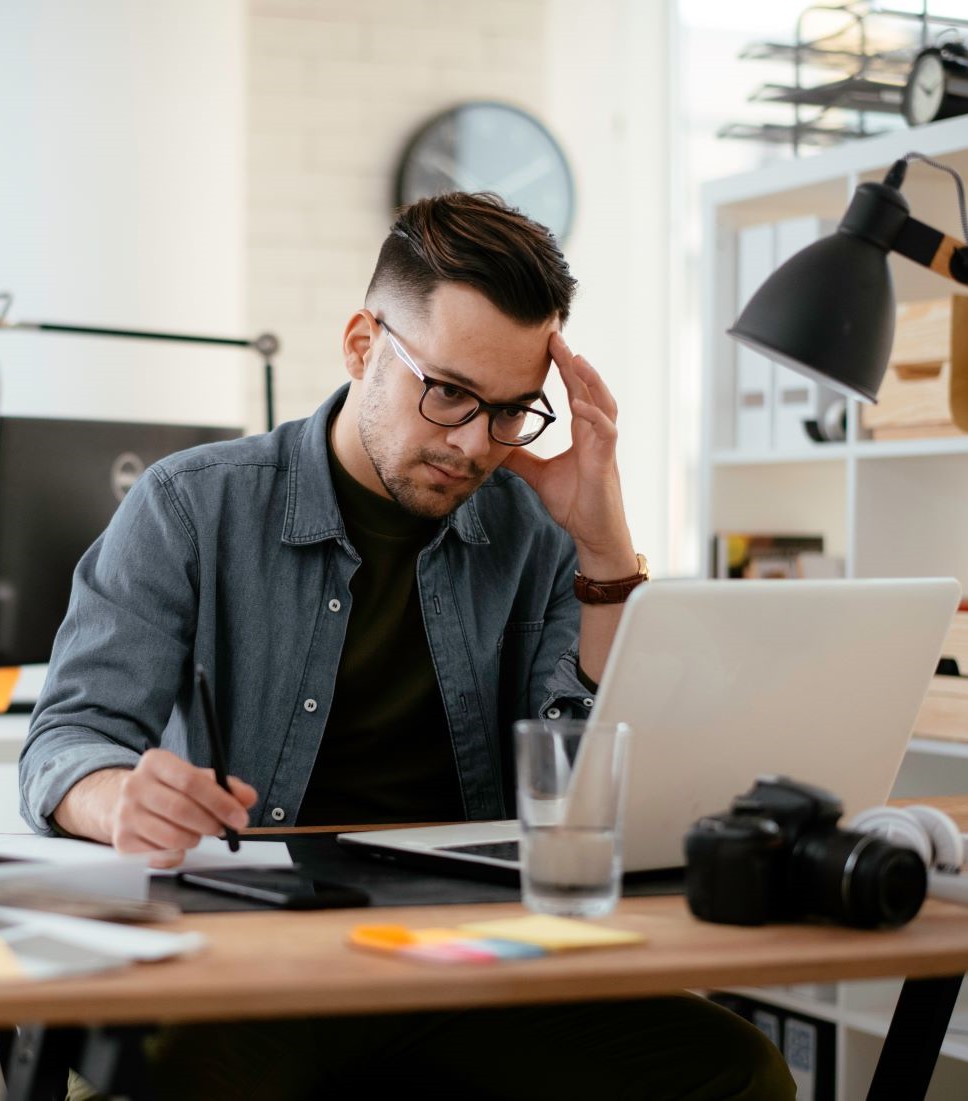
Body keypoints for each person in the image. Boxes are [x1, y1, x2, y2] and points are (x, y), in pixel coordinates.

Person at [21, 192, 794, 1100]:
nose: (474, 444)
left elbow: (585, 771)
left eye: (511, 410)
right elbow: (69, 736)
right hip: (258, 961)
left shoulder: (535, 530)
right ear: (361, 346)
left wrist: (603, 546)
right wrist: (119, 801)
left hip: (473, 952)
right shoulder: (192, 506)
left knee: (736, 1072)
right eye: (450, 393)